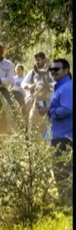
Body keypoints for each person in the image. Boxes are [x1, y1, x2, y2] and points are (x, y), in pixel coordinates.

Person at [37, 58, 72, 204]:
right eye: (51, 70)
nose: (53, 72)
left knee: (62, 171)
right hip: (59, 134)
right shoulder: (59, 88)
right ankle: (65, 201)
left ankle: (66, 202)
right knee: (60, 171)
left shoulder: (67, 87)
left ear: (66, 71)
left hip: (64, 136)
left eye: (56, 69)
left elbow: (67, 109)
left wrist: (49, 111)